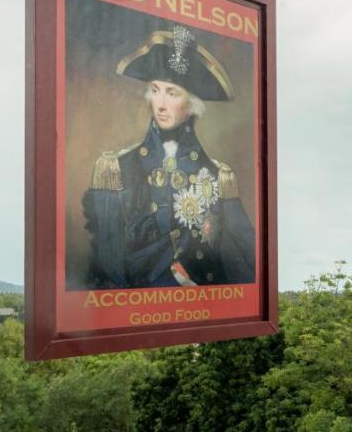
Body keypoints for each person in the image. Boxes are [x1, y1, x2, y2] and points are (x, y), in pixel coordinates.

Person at [80, 24, 255, 289]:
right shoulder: (115, 168)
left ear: (193, 103)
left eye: (171, 93)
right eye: (154, 89)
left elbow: (244, 259)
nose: (159, 104)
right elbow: (109, 264)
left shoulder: (219, 175)